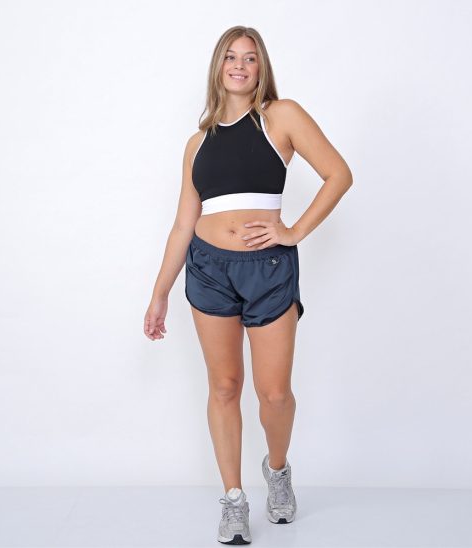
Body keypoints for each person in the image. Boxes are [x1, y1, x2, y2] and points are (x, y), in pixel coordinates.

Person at [144, 25, 353, 545]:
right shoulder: (197, 144)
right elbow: (182, 224)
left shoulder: (280, 117)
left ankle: (277, 470)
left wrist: (293, 231)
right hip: (208, 268)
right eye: (231, 57)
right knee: (224, 387)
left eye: (250, 58)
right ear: (218, 67)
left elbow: (339, 174)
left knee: (274, 393)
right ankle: (233, 500)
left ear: (262, 68)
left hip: (268, 268)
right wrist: (160, 292)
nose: (240, 65)